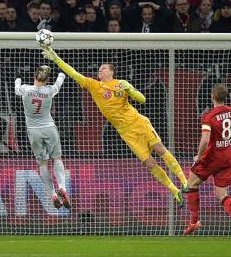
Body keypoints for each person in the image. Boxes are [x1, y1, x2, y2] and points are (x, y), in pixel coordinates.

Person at [41, 46, 187, 207]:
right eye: (99, 69)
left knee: (159, 148)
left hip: (139, 123)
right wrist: (56, 58)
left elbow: (142, 100)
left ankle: (184, 181)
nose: (99, 71)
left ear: (111, 72)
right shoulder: (95, 86)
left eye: (103, 69)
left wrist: (130, 90)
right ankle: (175, 191)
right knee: (149, 163)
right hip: (126, 132)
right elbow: (74, 73)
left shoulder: (121, 84)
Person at [183, 84, 231, 243]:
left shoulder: (209, 116)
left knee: (191, 183)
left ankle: (194, 221)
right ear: (225, 97)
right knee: (222, 194)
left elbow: (205, 140)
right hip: (227, 158)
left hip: (211, 158)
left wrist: (198, 156)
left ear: (212, 96)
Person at [14, 66, 70, 209]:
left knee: (43, 164)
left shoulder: (25, 89)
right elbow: (59, 83)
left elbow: (16, 88)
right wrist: (61, 73)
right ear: (47, 80)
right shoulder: (49, 90)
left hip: (33, 131)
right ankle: (62, 187)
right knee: (57, 158)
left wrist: (18, 78)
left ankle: (53, 194)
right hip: (49, 128)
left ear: (34, 77)